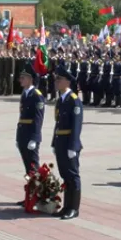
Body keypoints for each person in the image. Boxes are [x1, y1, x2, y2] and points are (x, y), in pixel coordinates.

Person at [52, 66, 83, 220]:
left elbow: (76, 126)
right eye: (56, 79)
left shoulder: (74, 101)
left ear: (67, 82)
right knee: (65, 175)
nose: (56, 82)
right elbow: (58, 123)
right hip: (60, 142)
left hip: (69, 143)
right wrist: (54, 142)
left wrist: (73, 146)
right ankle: (66, 206)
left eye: (59, 79)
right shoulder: (61, 100)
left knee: (72, 175)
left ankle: (74, 208)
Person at [16, 65, 45, 178]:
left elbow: (38, 118)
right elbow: (21, 116)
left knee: (34, 166)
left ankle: (38, 192)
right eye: (21, 77)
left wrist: (34, 138)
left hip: (31, 134)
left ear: (30, 79)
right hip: (23, 133)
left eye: (23, 77)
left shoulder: (36, 95)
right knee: (28, 167)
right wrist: (18, 136)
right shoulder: (25, 93)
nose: (21, 80)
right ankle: (31, 193)